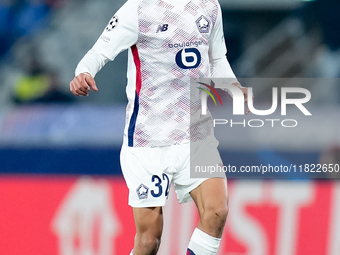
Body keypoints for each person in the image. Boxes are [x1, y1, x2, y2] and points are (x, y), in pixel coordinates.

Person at [70, 0, 249, 254]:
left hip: (196, 133)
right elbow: (100, 51)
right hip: (148, 139)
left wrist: (234, 88)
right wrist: (83, 71)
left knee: (217, 211)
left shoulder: (209, 6)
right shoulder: (138, 9)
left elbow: (217, 58)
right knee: (149, 239)